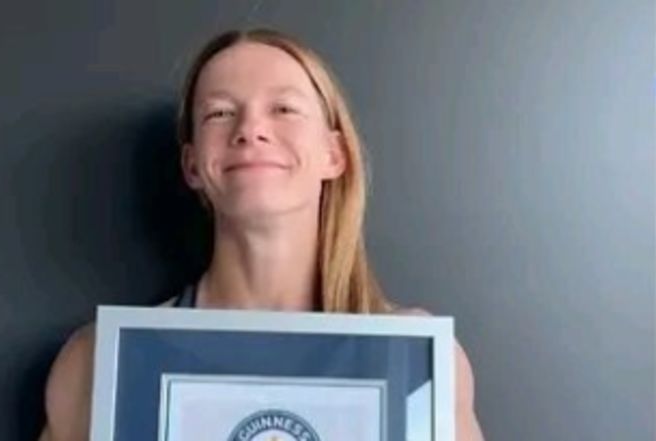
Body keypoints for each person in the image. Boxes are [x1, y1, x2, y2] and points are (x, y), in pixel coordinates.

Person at [37, 28, 485, 441]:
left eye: (283, 109)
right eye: (219, 113)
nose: (250, 129)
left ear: (334, 154)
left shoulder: (423, 367)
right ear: (192, 165)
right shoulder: (99, 367)